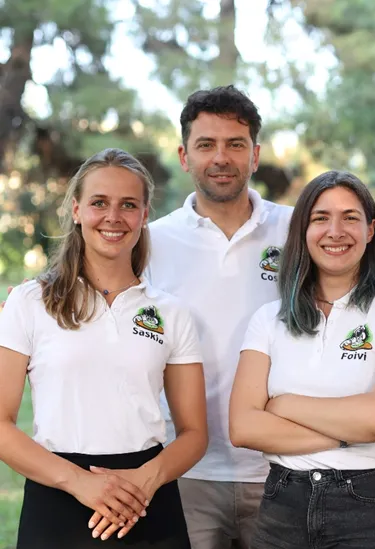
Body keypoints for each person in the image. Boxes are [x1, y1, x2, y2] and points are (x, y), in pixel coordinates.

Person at [0, 148, 207, 548]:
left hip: (147, 499)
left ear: (144, 215)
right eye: (99, 203)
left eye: (128, 204)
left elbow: (195, 433)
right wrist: (79, 482)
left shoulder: (172, 312)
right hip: (57, 499)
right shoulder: (29, 301)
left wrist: (144, 481)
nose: (113, 216)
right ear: (77, 210)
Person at [229, 170, 375, 549]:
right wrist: (351, 436)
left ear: (370, 230)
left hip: (371, 508)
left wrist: (283, 405)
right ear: (302, 231)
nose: (335, 231)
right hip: (283, 506)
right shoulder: (268, 319)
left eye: (350, 217)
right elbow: (243, 427)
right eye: (321, 218)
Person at [146, 85, 293, 548]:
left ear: (255, 154)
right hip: (185, 468)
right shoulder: (149, 241)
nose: (221, 157)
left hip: (283, 467)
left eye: (235, 144)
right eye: (206, 144)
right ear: (184, 155)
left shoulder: (298, 229)